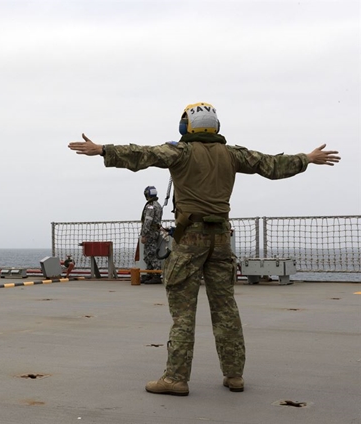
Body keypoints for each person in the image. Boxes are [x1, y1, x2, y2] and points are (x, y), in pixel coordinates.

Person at [68, 102, 340, 396]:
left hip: (189, 239)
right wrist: (307, 158)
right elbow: (270, 165)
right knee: (226, 309)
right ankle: (234, 375)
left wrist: (104, 150)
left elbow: (143, 154)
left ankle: (175, 378)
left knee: (184, 312)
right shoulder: (233, 154)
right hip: (222, 239)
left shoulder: (180, 152)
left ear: (187, 126)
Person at [140, 185, 163, 284]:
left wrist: (144, 234)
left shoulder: (150, 206)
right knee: (148, 253)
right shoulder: (157, 205)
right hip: (155, 232)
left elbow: (148, 221)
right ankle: (150, 273)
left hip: (150, 233)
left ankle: (156, 274)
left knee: (151, 254)